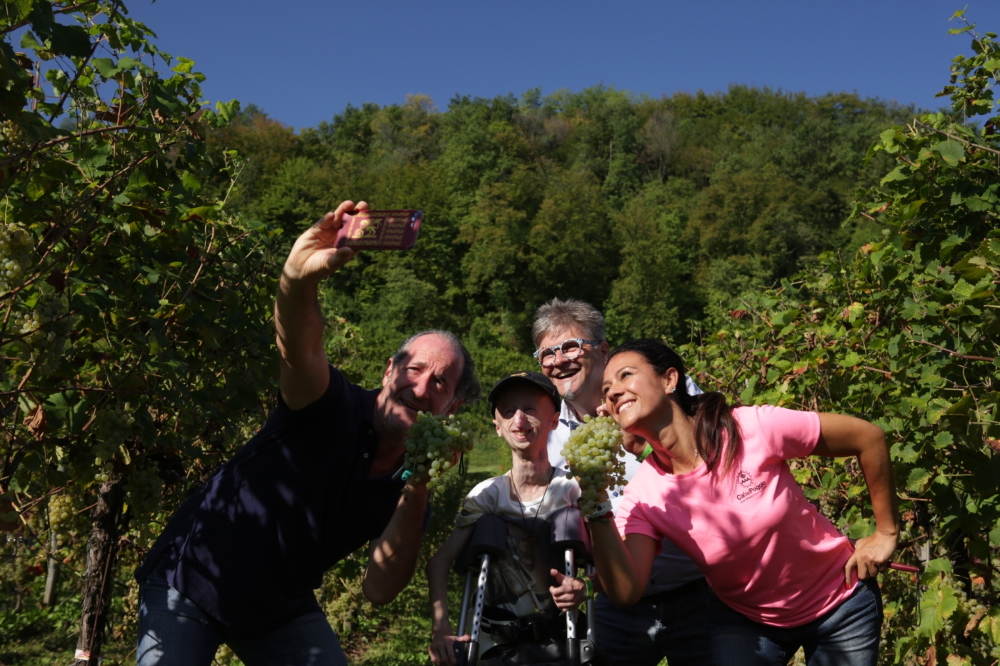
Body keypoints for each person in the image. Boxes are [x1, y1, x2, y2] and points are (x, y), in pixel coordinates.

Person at [134, 201, 481, 666]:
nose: (420, 387)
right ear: (387, 371)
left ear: (451, 406)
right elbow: (301, 346)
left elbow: (379, 589)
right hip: (193, 573)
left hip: (278, 606)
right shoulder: (329, 403)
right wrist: (299, 280)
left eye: (439, 383)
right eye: (413, 369)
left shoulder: (411, 489)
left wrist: (417, 482)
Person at [595, 339, 900, 666]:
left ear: (670, 379)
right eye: (606, 389)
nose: (613, 392)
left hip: (839, 607)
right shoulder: (644, 494)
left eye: (626, 375)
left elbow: (868, 438)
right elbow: (627, 591)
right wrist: (594, 502)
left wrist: (886, 532)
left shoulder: (749, 428)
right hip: (743, 625)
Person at [531, 298, 709, 666]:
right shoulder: (550, 435)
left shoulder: (662, 391)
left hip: (700, 588)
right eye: (547, 352)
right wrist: (583, 579)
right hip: (616, 601)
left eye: (570, 346)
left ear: (603, 349)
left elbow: (714, 462)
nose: (559, 360)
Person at [426, 372, 589, 666]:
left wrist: (585, 587)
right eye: (508, 412)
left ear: (554, 420)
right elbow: (440, 561)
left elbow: (605, 568)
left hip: (564, 641)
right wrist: (441, 629)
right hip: (496, 648)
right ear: (498, 426)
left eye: (529, 409)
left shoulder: (574, 490)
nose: (519, 420)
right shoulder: (486, 495)